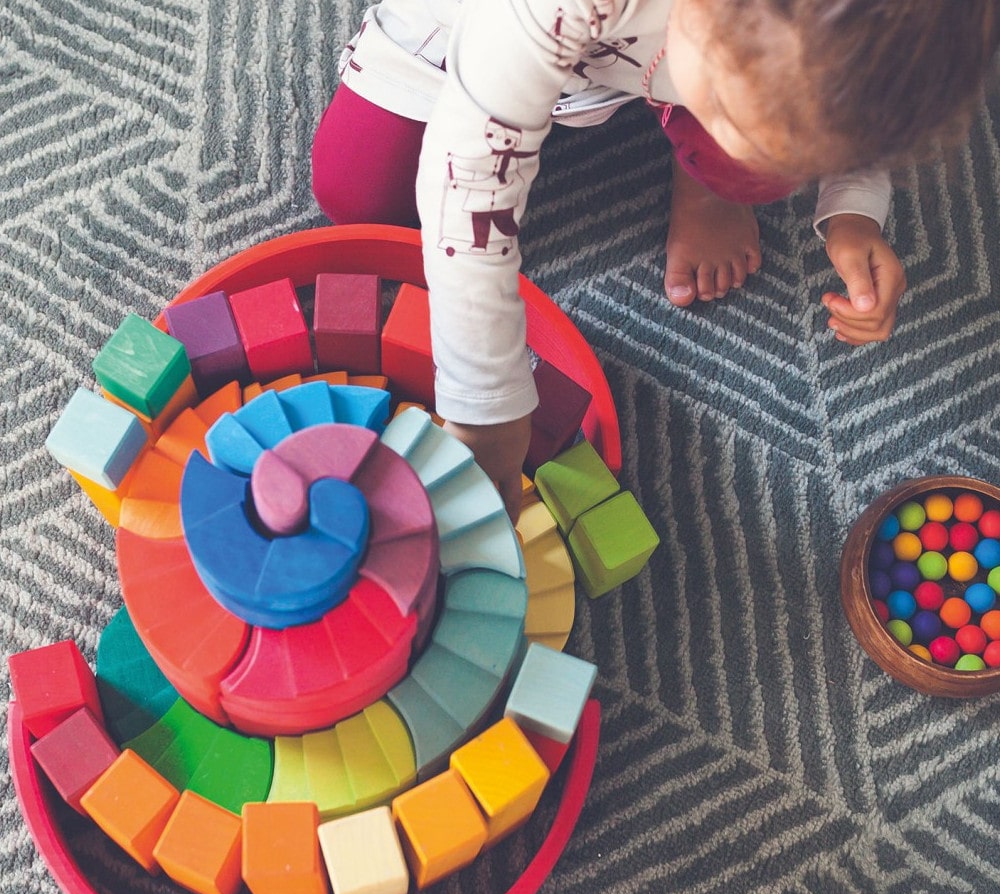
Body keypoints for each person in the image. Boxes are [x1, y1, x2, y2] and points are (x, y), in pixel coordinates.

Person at [312, 0, 1000, 523]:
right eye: (731, 115)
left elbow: (867, 99)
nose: (759, 157)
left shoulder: (823, 36)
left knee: (772, 133)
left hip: (660, 55)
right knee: (357, 192)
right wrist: (484, 406)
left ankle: (704, 176)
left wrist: (852, 209)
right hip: (475, 32)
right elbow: (470, 177)